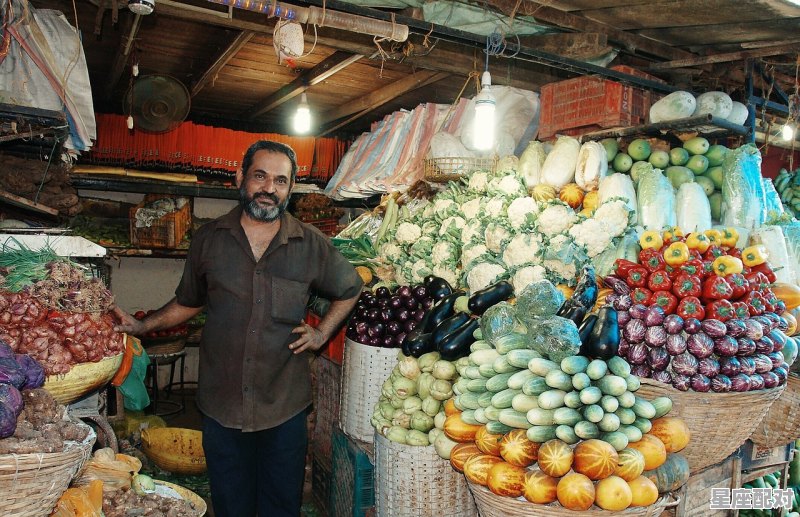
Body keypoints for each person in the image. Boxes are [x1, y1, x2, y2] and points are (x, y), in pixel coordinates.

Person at [113, 140, 363, 517]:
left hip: (283, 406)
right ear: (240, 178)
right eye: (260, 176)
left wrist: (321, 333)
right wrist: (142, 324)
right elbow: (188, 301)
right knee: (231, 505)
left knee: (280, 507)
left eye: (280, 180)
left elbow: (351, 288)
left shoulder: (311, 245)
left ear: (290, 189)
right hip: (221, 404)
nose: (269, 188)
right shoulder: (210, 239)